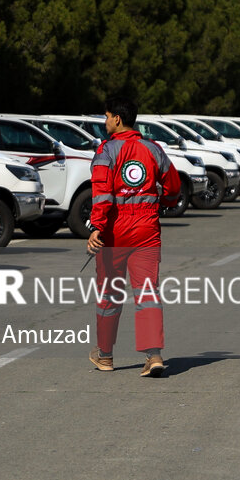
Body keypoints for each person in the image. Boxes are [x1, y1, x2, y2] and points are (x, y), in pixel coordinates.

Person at [87, 96, 181, 377]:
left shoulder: (105, 151)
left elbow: (102, 194)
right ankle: (153, 356)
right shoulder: (153, 149)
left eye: (106, 117)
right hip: (147, 232)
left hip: (114, 235)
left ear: (117, 118)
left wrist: (96, 228)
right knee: (148, 293)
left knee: (109, 295)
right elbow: (173, 186)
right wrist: (165, 202)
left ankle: (105, 356)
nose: (104, 123)